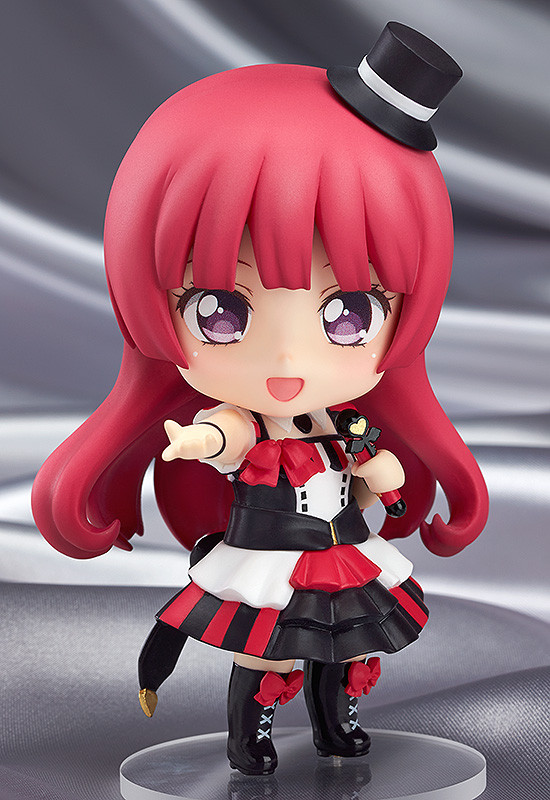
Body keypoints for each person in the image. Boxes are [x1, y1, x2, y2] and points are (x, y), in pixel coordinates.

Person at [32, 24, 488, 776]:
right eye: (220, 311)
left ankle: (335, 726)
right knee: (266, 651)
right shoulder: (246, 421)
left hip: (338, 552)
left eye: (348, 314)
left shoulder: (344, 423)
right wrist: (194, 442)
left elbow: (371, 472)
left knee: (339, 650)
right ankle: (251, 736)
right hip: (270, 559)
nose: (286, 361)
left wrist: (379, 476)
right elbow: (225, 437)